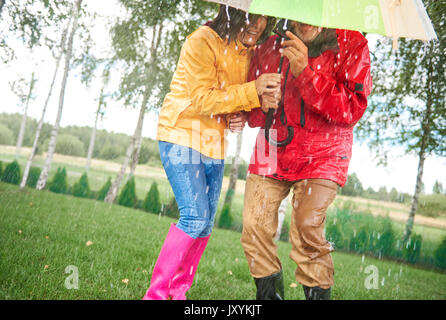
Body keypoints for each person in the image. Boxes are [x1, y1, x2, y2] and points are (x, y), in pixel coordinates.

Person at [142, 5, 280, 300]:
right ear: (230, 14)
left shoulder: (246, 54)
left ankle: (177, 293)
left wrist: (239, 116)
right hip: (181, 136)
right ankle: (156, 296)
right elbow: (204, 100)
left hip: (215, 144)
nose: (258, 26)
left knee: (204, 225)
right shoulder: (201, 41)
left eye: (263, 21)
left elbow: (233, 100)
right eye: (252, 21)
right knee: (194, 217)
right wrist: (251, 91)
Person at [241, 20, 372, 300]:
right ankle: (268, 298)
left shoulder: (351, 44)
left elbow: (351, 108)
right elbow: (252, 115)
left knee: (306, 227)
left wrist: (305, 73)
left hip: (323, 153)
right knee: (254, 226)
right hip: (272, 147)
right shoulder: (270, 46)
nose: (305, 21)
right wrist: (259, 99)